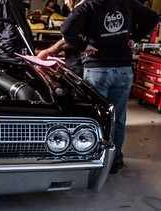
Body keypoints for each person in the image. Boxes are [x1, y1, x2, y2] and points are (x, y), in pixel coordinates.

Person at [61, 0, 159, 173]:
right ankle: (114, 160)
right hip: (123, 69)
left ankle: (94, 160)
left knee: (96, 118)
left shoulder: (89, 5)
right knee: (117, 118)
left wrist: (83, 46)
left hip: (97, 68)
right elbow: (153, 17)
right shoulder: (128, 3)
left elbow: (67, 29)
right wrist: (134, 37)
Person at [36, 0, 83, 77]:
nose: (65, 3)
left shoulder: (82, 9)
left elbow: (68, 38)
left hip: (80, 64)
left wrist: (47, 52)